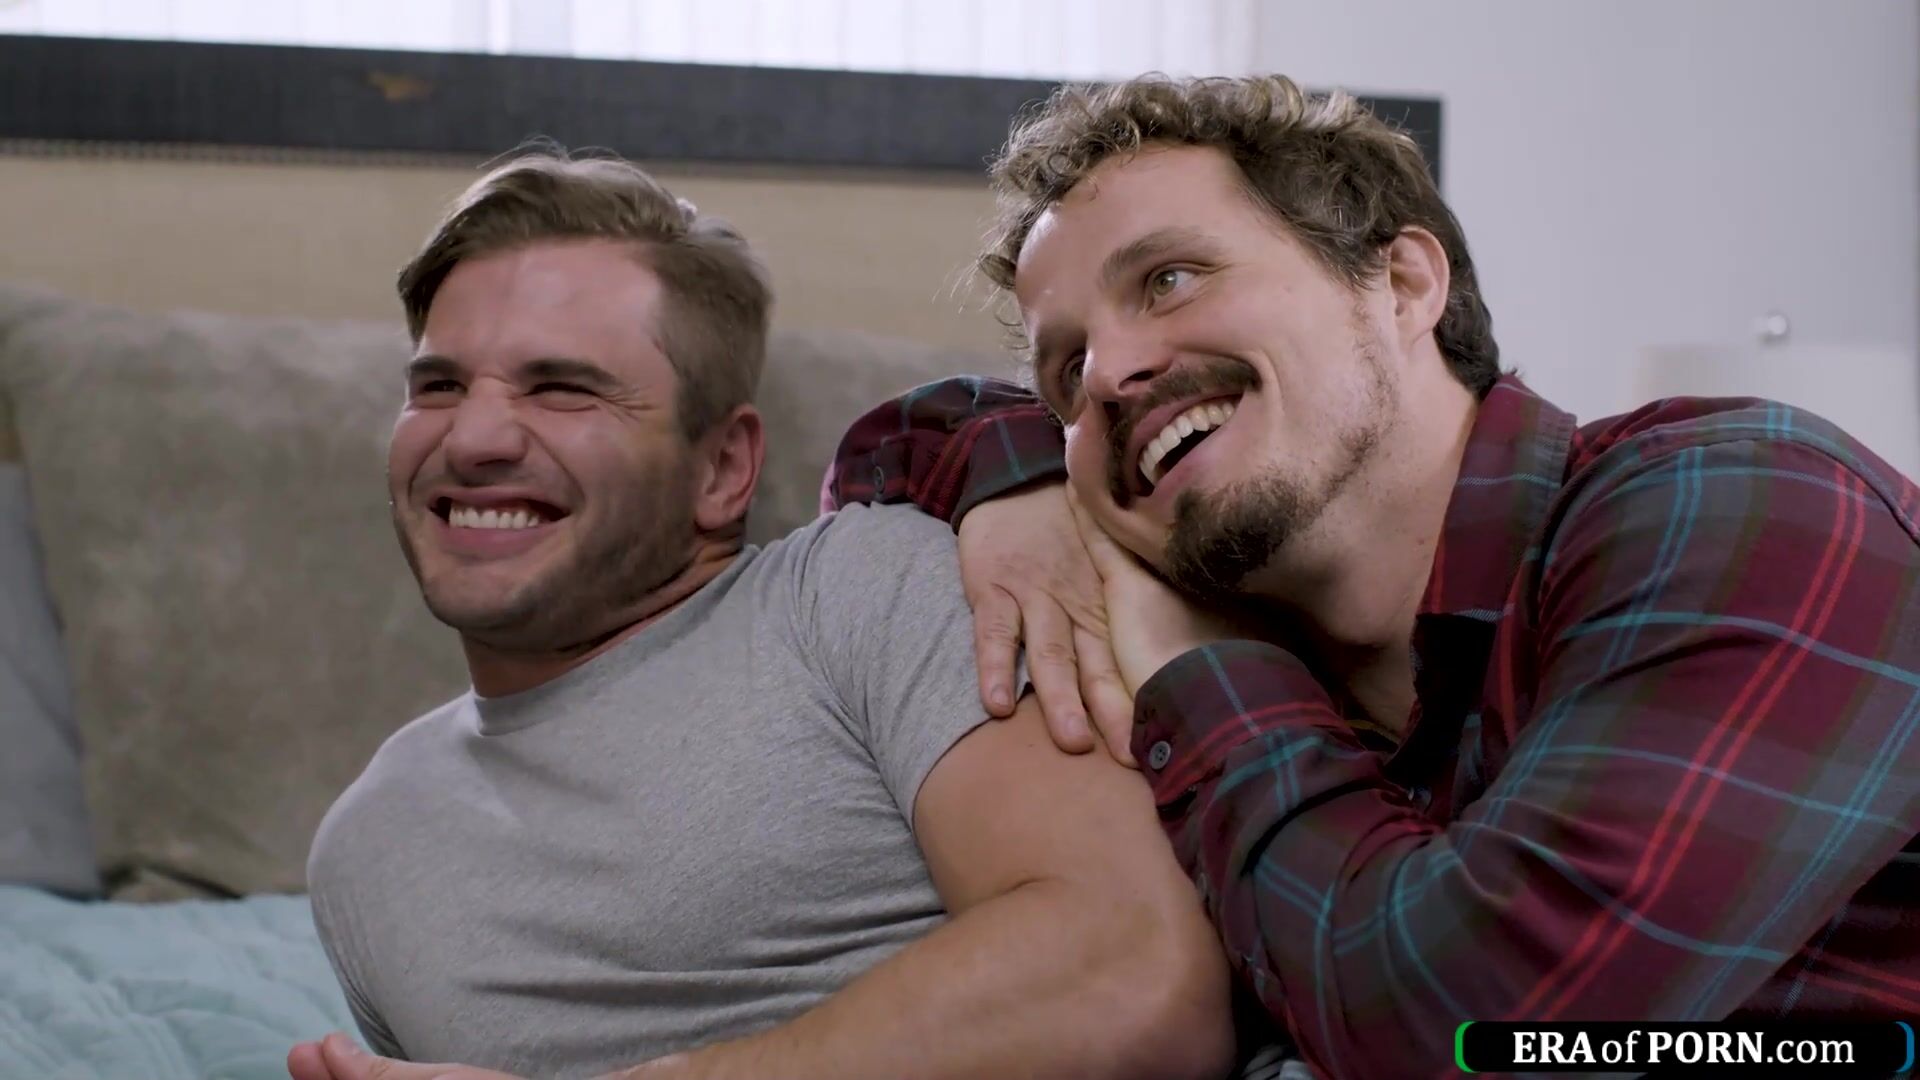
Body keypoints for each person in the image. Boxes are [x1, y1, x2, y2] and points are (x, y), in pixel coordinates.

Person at [823, 74, 1920, 1079]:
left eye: (1170, 279)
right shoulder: (1243, 615)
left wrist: (1203, 666)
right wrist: (1023, 496)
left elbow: (1475, 1030)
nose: (1108, 377)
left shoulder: (1750, 507)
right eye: (1067, 370)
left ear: (1401, 282)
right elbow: (901, 435)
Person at [285, 150, 1244, 1080]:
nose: (474, 437)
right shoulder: (365, 852)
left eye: (562, 389)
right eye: (438, 386)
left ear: (722, 469)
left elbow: (1136, 981)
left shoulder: (861, 591)